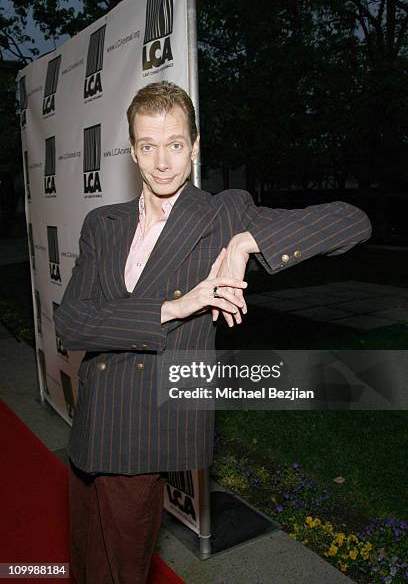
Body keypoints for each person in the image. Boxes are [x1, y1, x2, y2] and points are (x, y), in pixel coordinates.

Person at [54, 81, 372, 583]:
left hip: (144, 426)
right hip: (92, 418)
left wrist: (249, 239)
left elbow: (352, 222)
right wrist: (177, 305)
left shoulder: (220, 215)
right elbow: (71, 322)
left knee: (118, 572)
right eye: (149, 146)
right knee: (83, 556)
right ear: (133, 151)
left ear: (195, 145)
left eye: (175, 145)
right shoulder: (103, 223)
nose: (162, 163)